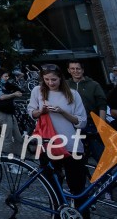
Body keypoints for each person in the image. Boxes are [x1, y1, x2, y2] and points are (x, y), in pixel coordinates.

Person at [28, 63, 88, 216]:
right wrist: (41, 111)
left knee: (77, 185)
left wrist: (62, 112)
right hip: (48, 143)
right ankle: (57, 213)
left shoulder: (73, 94)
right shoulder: (37, 91)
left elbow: (81, 121)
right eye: (46, 79)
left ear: (61, 78)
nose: (50, 83)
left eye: (53, 79)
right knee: (53, 186)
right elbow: (31, 112)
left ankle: (81, 213)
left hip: (70, 143)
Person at [66, 61, 107, 162]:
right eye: (72, 69)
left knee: (100, 155)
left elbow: (102, 104)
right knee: (76, 157)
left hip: (90, 123)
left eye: (78, 68)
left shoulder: (93, 85)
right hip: (72, 124)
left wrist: (101, 124)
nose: (75, 71)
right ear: (69, 70)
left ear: (82, 70)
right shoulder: (65, 85)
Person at [0, 67, 25, 156]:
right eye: (5, 76)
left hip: (10, 112)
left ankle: (18, 159)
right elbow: (1, 97)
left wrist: (18, 90)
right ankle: (6, 162)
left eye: (7, 76)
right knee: (7, 137)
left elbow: (18, 85)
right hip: (2, 113)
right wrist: (14, 94)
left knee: (18, 137)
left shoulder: (6, 84)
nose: (7, 78)